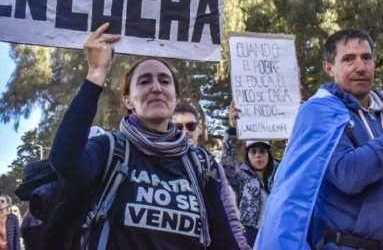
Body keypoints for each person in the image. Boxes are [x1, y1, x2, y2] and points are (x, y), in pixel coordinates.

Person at [48, 22, 241, 250]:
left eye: (164, 81)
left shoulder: (200, 162)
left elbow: (224, 240)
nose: (156, 88)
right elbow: (65, 163)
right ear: (128, 101)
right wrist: (96, 73)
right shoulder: (109, 149)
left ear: (175, 99)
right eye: (144, 81)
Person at [256, 28, 383, 250]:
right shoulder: (320, 113)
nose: (360, 67)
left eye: (366, 58)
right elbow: (349, 175)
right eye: (349, 59)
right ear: (329, 68)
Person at [172, 103, 249, 249]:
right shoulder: (162, 162)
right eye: (178, 127)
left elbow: (229, 213)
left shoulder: (212, 166)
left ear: (200, 129)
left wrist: (242, 247)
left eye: (191, 126)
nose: (185, 131)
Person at [221, 101, 279, 248]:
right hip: (250, 236)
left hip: (277, 232)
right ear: (247, 155)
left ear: (269, 154)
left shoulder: (281, 175)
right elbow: (227, 163)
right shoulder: (241, 178)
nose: (258, 155)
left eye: (262, 151)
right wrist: (232, 129)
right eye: (253, 151)